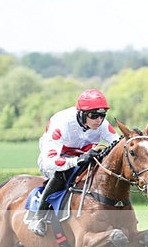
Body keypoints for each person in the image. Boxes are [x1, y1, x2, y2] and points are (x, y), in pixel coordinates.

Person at [30, 88, 118, 237]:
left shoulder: (102, 124)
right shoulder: (61, 123)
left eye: (102, 115)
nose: (99, 120)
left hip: (83, 158)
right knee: (63, 173)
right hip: (56, 161)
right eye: (94, 115)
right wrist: (76, 161)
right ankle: (39, 216)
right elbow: (49, 162)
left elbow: (118, 144)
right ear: (82, 114)